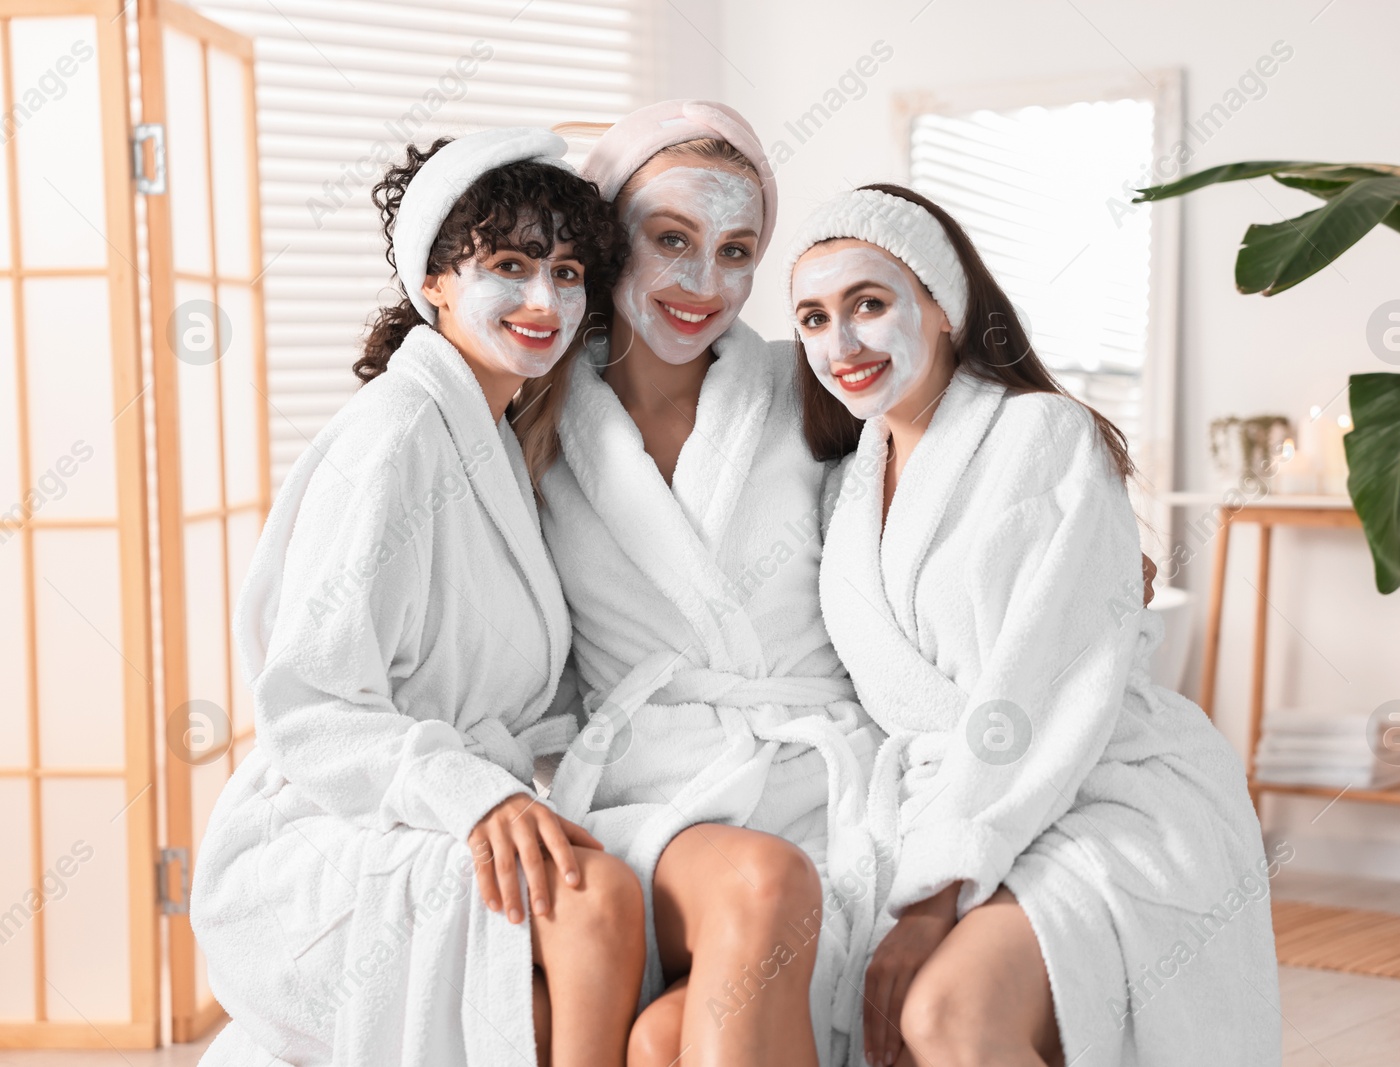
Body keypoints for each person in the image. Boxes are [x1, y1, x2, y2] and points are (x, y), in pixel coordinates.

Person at [786, 184, 1281, 1067]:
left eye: (869, 303)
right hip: (952, 804)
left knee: (945, 1014)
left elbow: (1035, 688)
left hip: (1101, 784)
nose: (843, 342)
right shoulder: (842, 495)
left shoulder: (1042, 436)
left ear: (942, 308)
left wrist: (936, 894)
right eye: (814, 318)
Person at [190, 129, 646, 1067]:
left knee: (615, 914)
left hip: (423, 810)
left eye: (567, 273)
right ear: (435, 283)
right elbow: (311, 702)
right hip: (324, 834)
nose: (543, 299)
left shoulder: (493, 437)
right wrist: (475, 797)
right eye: (510, 265)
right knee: (597, 901)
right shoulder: (398, 437)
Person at [527, 101, 882, 1067]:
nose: (703, 283)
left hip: (821, 782)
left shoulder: (808, 381)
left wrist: (1091, 534)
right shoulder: (537, 424)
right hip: (652, 793)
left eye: (737, 251)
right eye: (672, 240)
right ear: (608, 240)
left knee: (662, 1042)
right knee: (763, 884)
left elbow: (963, 424)